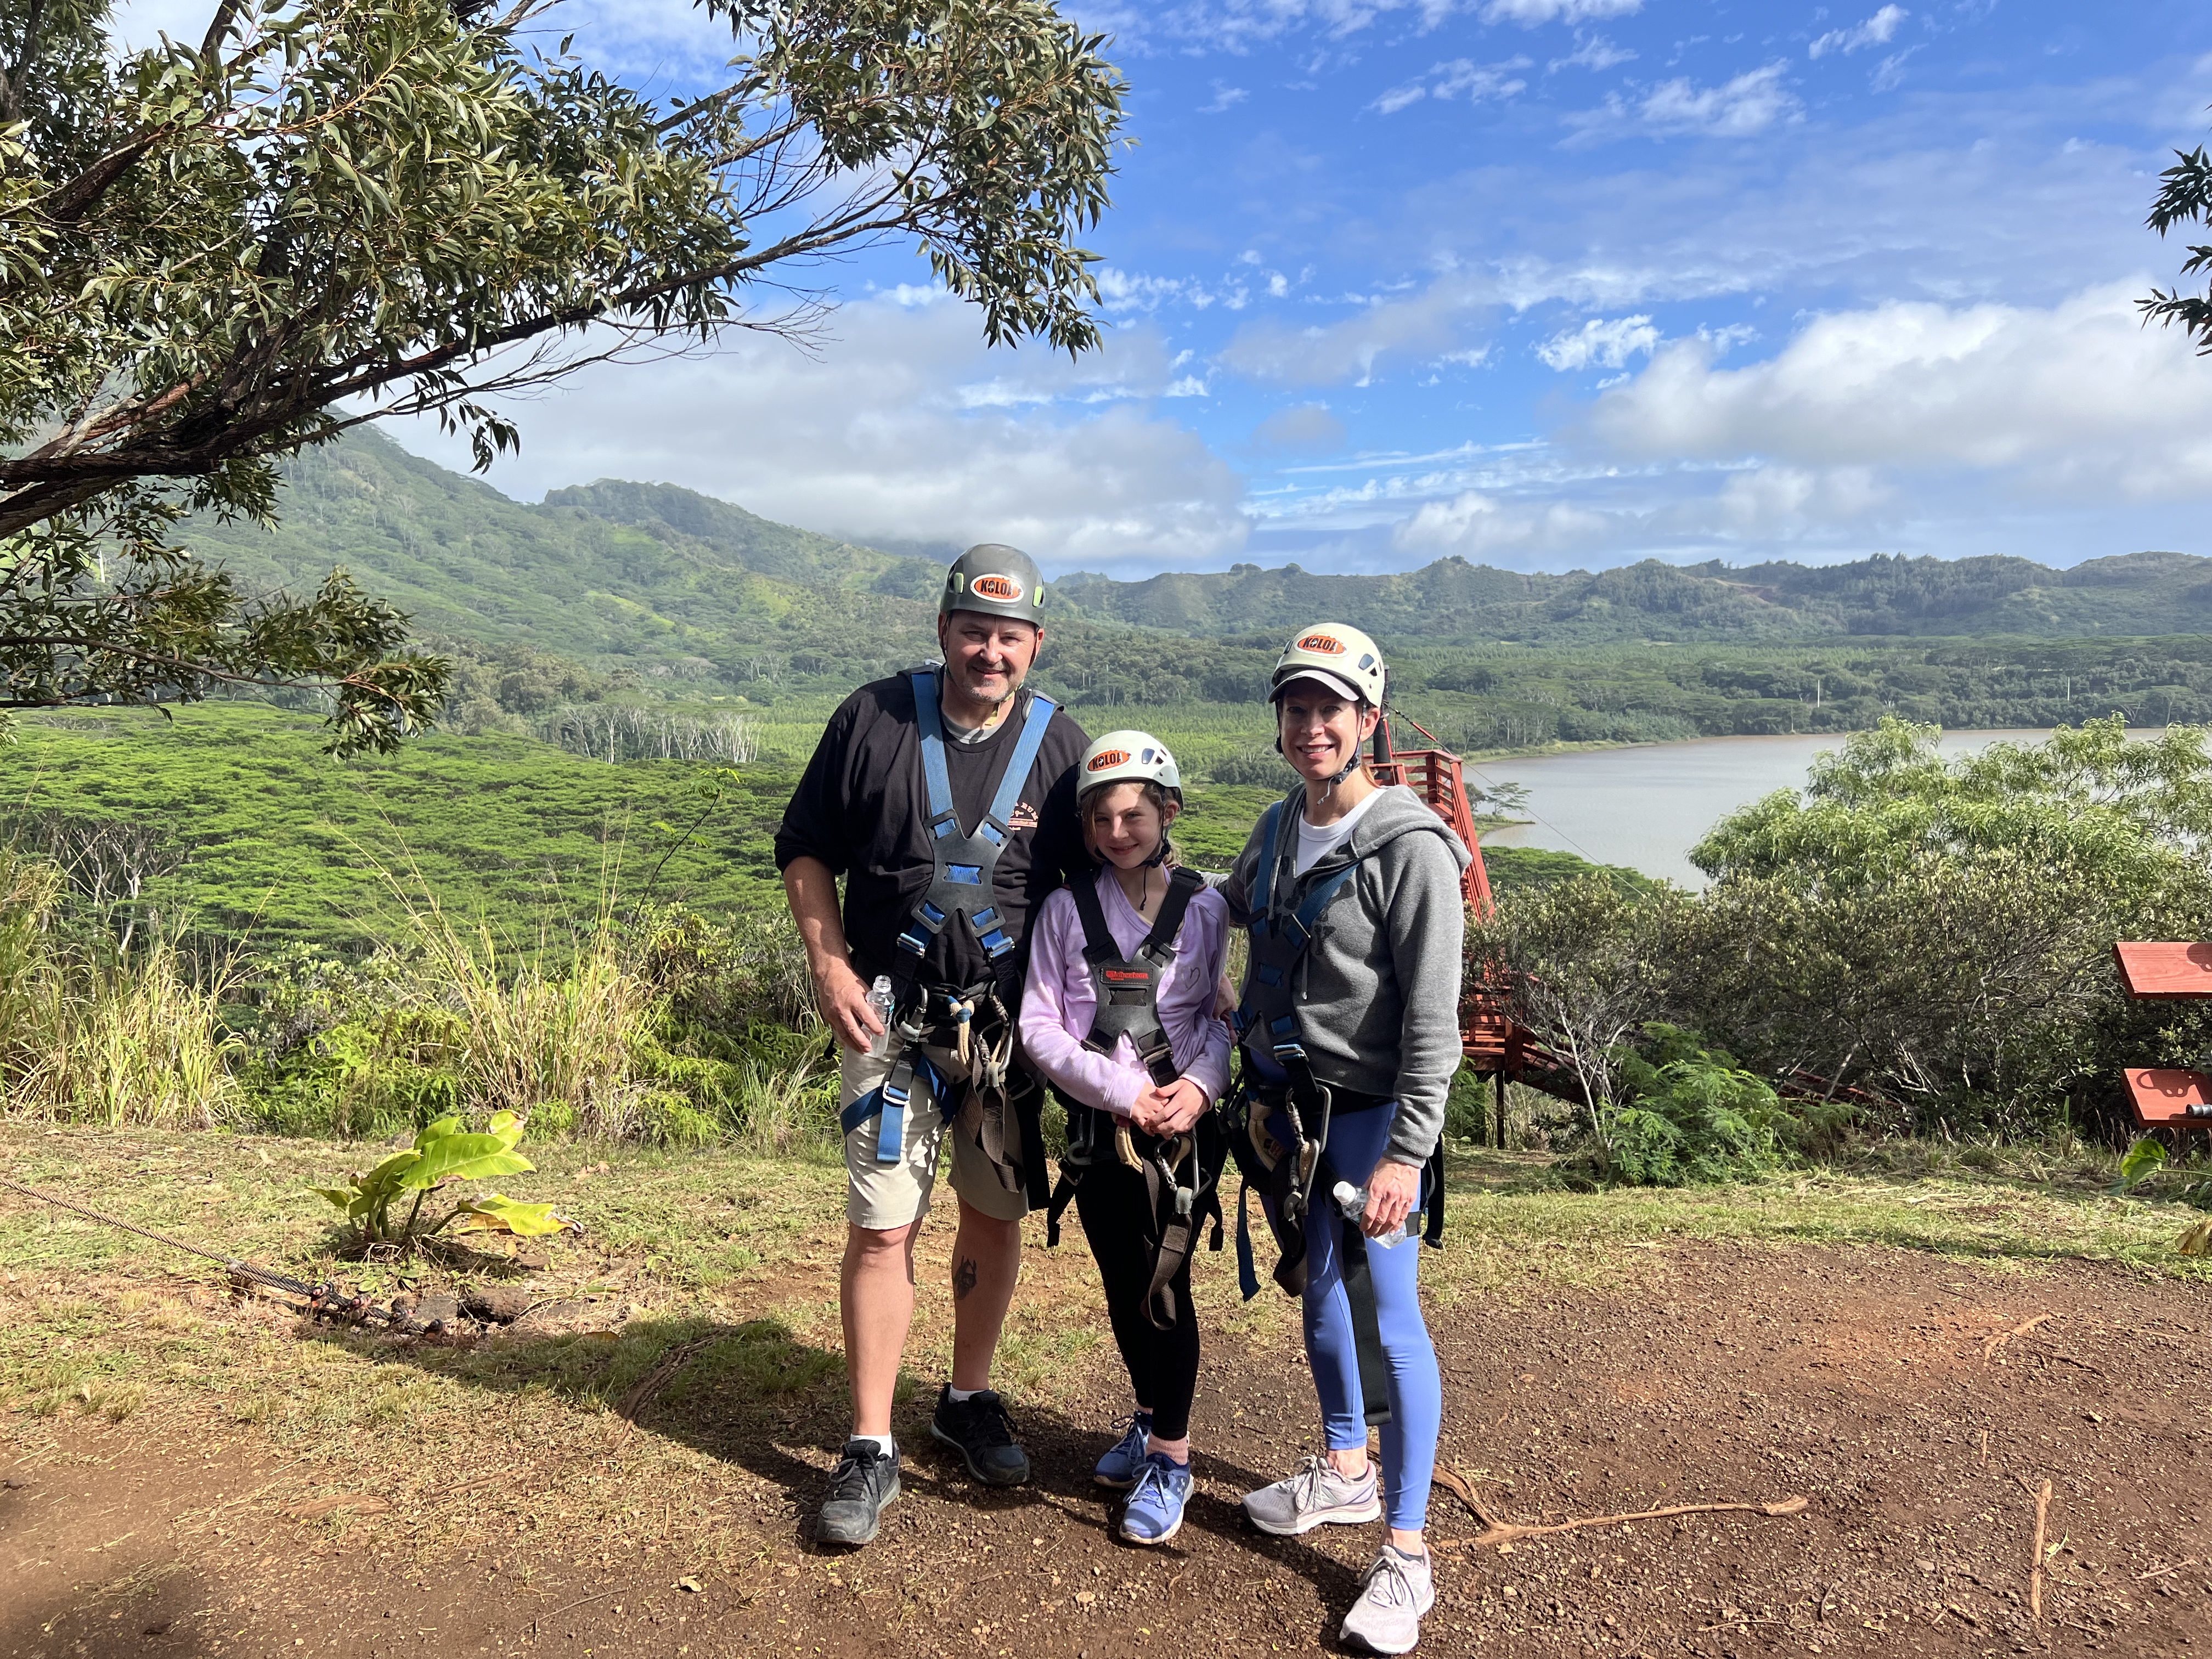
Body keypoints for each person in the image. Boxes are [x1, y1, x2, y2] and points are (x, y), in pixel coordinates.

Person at [776, 545, 1090, 1549]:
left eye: (1009, 637)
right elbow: (806, 848)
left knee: (992, 1220)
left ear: (1034, 645)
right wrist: (829, 967)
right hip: (888, 1017)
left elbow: (1102, 889)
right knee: (881, 1228)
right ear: (942, 629)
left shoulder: (1062, 747)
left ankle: (966, 1398)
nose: (989, 651)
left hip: (1005, 1037)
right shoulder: (871, 719)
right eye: (973, 631)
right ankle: (871, 1444)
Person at [1223, 624, 1468, 1656]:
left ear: (1368, 720)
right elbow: (1224, 905)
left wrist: (1407, 1156)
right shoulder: (1283, 826)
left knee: (1392, 1319)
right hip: (1294, 1115)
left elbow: (1433, 1021)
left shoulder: (1411, 849)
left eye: (1333, 708)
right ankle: (1347, 1474)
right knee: (1321, 1298)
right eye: (1296, 707)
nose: (1312, 725)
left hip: (1370, 1124)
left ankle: (1407, 1553)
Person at [1019, 731, 1233, 1547]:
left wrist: (1201, 1086)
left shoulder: (1204, 907)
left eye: (1134, 816)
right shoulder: (1065, 911)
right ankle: (1148, 1418)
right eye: (1102, 820)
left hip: (1180, 1131)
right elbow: (1042, 1025)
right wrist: (1119, 1093)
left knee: (1164, 1281)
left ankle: (1172, 1458)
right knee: (1120, 1279)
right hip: (1097, 1129)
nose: (1118, 833)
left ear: (1166, 813)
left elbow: (1216, 1017)